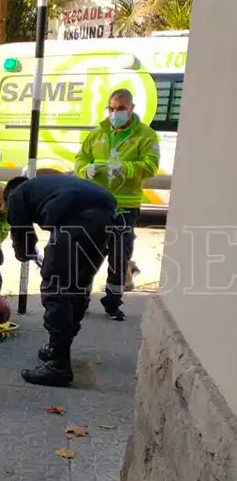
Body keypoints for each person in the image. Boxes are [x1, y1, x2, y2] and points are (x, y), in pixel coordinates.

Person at [4, 174, 116, 387]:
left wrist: (25, 253)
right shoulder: (49, 185)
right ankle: (58, 348)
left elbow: (21, 235)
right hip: (105, 218)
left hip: (75, 223)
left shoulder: (17, 194)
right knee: (78, 285)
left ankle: (58, 365)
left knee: (56, 288)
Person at [75, 88, 159, 321]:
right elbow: (80, 158)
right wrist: (85, 170)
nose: (115, 113)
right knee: (89, 253)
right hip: (96, 203)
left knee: (120, 256)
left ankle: (112, 302)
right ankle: (80, 299)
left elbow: (151, 166)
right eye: (111, 108)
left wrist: (127, 168)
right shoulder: (97, 134)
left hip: (125, 206)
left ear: (131, 108)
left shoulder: (146, 135)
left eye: (121, 108)